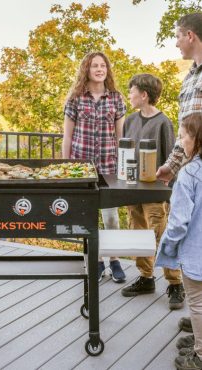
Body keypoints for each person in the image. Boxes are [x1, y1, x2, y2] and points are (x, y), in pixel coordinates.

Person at [120, 74, 185, 309]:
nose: (129, 95)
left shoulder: (163, 123)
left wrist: (169, 193)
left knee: (162, 235)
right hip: (132, 189)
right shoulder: (129, 121)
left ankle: (175, 283)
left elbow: (172, 158)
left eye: (132, 91)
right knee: (137, 233)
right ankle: (146, 278)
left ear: (144, 95)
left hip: (156, 192)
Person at [156, 12, 202, 338]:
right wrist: (171, 167)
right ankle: (198, 317)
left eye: (177, 35)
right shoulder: (189, 79)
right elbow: (185, 132)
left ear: (190, 36)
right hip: (189, 172)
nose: (175, 42)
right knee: (193, 251)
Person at [62, 51, 126, 283]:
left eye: (103, 66)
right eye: (94, 66)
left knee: (111, 218)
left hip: (109, 165)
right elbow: (67, 138)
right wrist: (67, 168)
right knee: (87, 217)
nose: (100, 69)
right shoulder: (76, 99)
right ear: (86, 70)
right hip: (82, 167)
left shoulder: (116, 99)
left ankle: (114, 260)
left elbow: (121, 138)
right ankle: (95, 261)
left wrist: (123, 167)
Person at [155, 113, 202, 370]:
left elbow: (178, 222)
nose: (180, 142)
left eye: (182, 136)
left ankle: (200, 355)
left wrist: (169, 245)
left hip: (196, 253)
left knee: (197, 303)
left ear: (195, 139)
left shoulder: (189, 174)